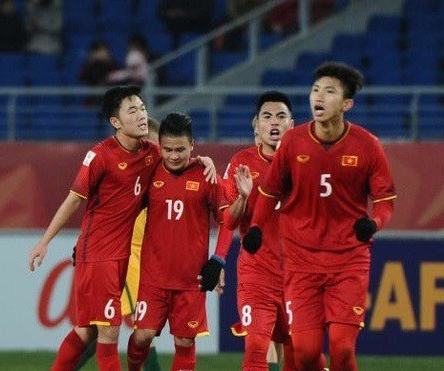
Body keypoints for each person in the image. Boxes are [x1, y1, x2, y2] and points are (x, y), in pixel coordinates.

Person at [28, 86, 216, 371]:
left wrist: (204, 161)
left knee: (88, 331)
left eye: (142, 108)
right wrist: (44, 241)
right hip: (100, 252)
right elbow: (73, 199)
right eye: (133, 110)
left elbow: (178, 158)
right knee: (109, 332)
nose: (142, 114)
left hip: (124, 254)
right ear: (115, 122)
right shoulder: (100, 156)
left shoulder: (151, 153)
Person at [245, 62, 396, 370]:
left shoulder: (368, 146)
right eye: (316, 90)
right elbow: (270, 191)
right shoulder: (293, 142)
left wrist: (374, 223)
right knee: (306, 353)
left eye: (330, 92)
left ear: (346, 104)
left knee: (341, 349)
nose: (319, 97)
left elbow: (385, 199)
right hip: (301, 261)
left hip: (348, 259)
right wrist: (257, 226)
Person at [126, 113, 249, 371]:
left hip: (190, 280)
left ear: (192, 145)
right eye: (168, 149)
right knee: (142, 336)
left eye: (180, 149)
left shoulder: (207, 176)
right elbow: (119, 213)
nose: (173, 156)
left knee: (184, 341)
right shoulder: (149, 174)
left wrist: (218, 260)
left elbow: (228, 221)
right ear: (159, 146)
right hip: (153, 279)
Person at [220, 91, 304, 371]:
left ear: (292, 124)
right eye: (267, 117)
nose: (274, 123)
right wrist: (243, 198)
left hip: (300, 276)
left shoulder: (306, 163)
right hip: (257, 274)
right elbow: (228, 223)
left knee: (298, 355)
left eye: (281, 116)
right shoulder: (240, 163)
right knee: (256, 349)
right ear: (256, 124)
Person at [75, 117, 163, 371]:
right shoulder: (124, 171)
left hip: (146, 260)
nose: (155, 152)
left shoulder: (156, 175)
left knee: (100, 330)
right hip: (122, 258)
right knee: (139, 327)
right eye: (150, 144)